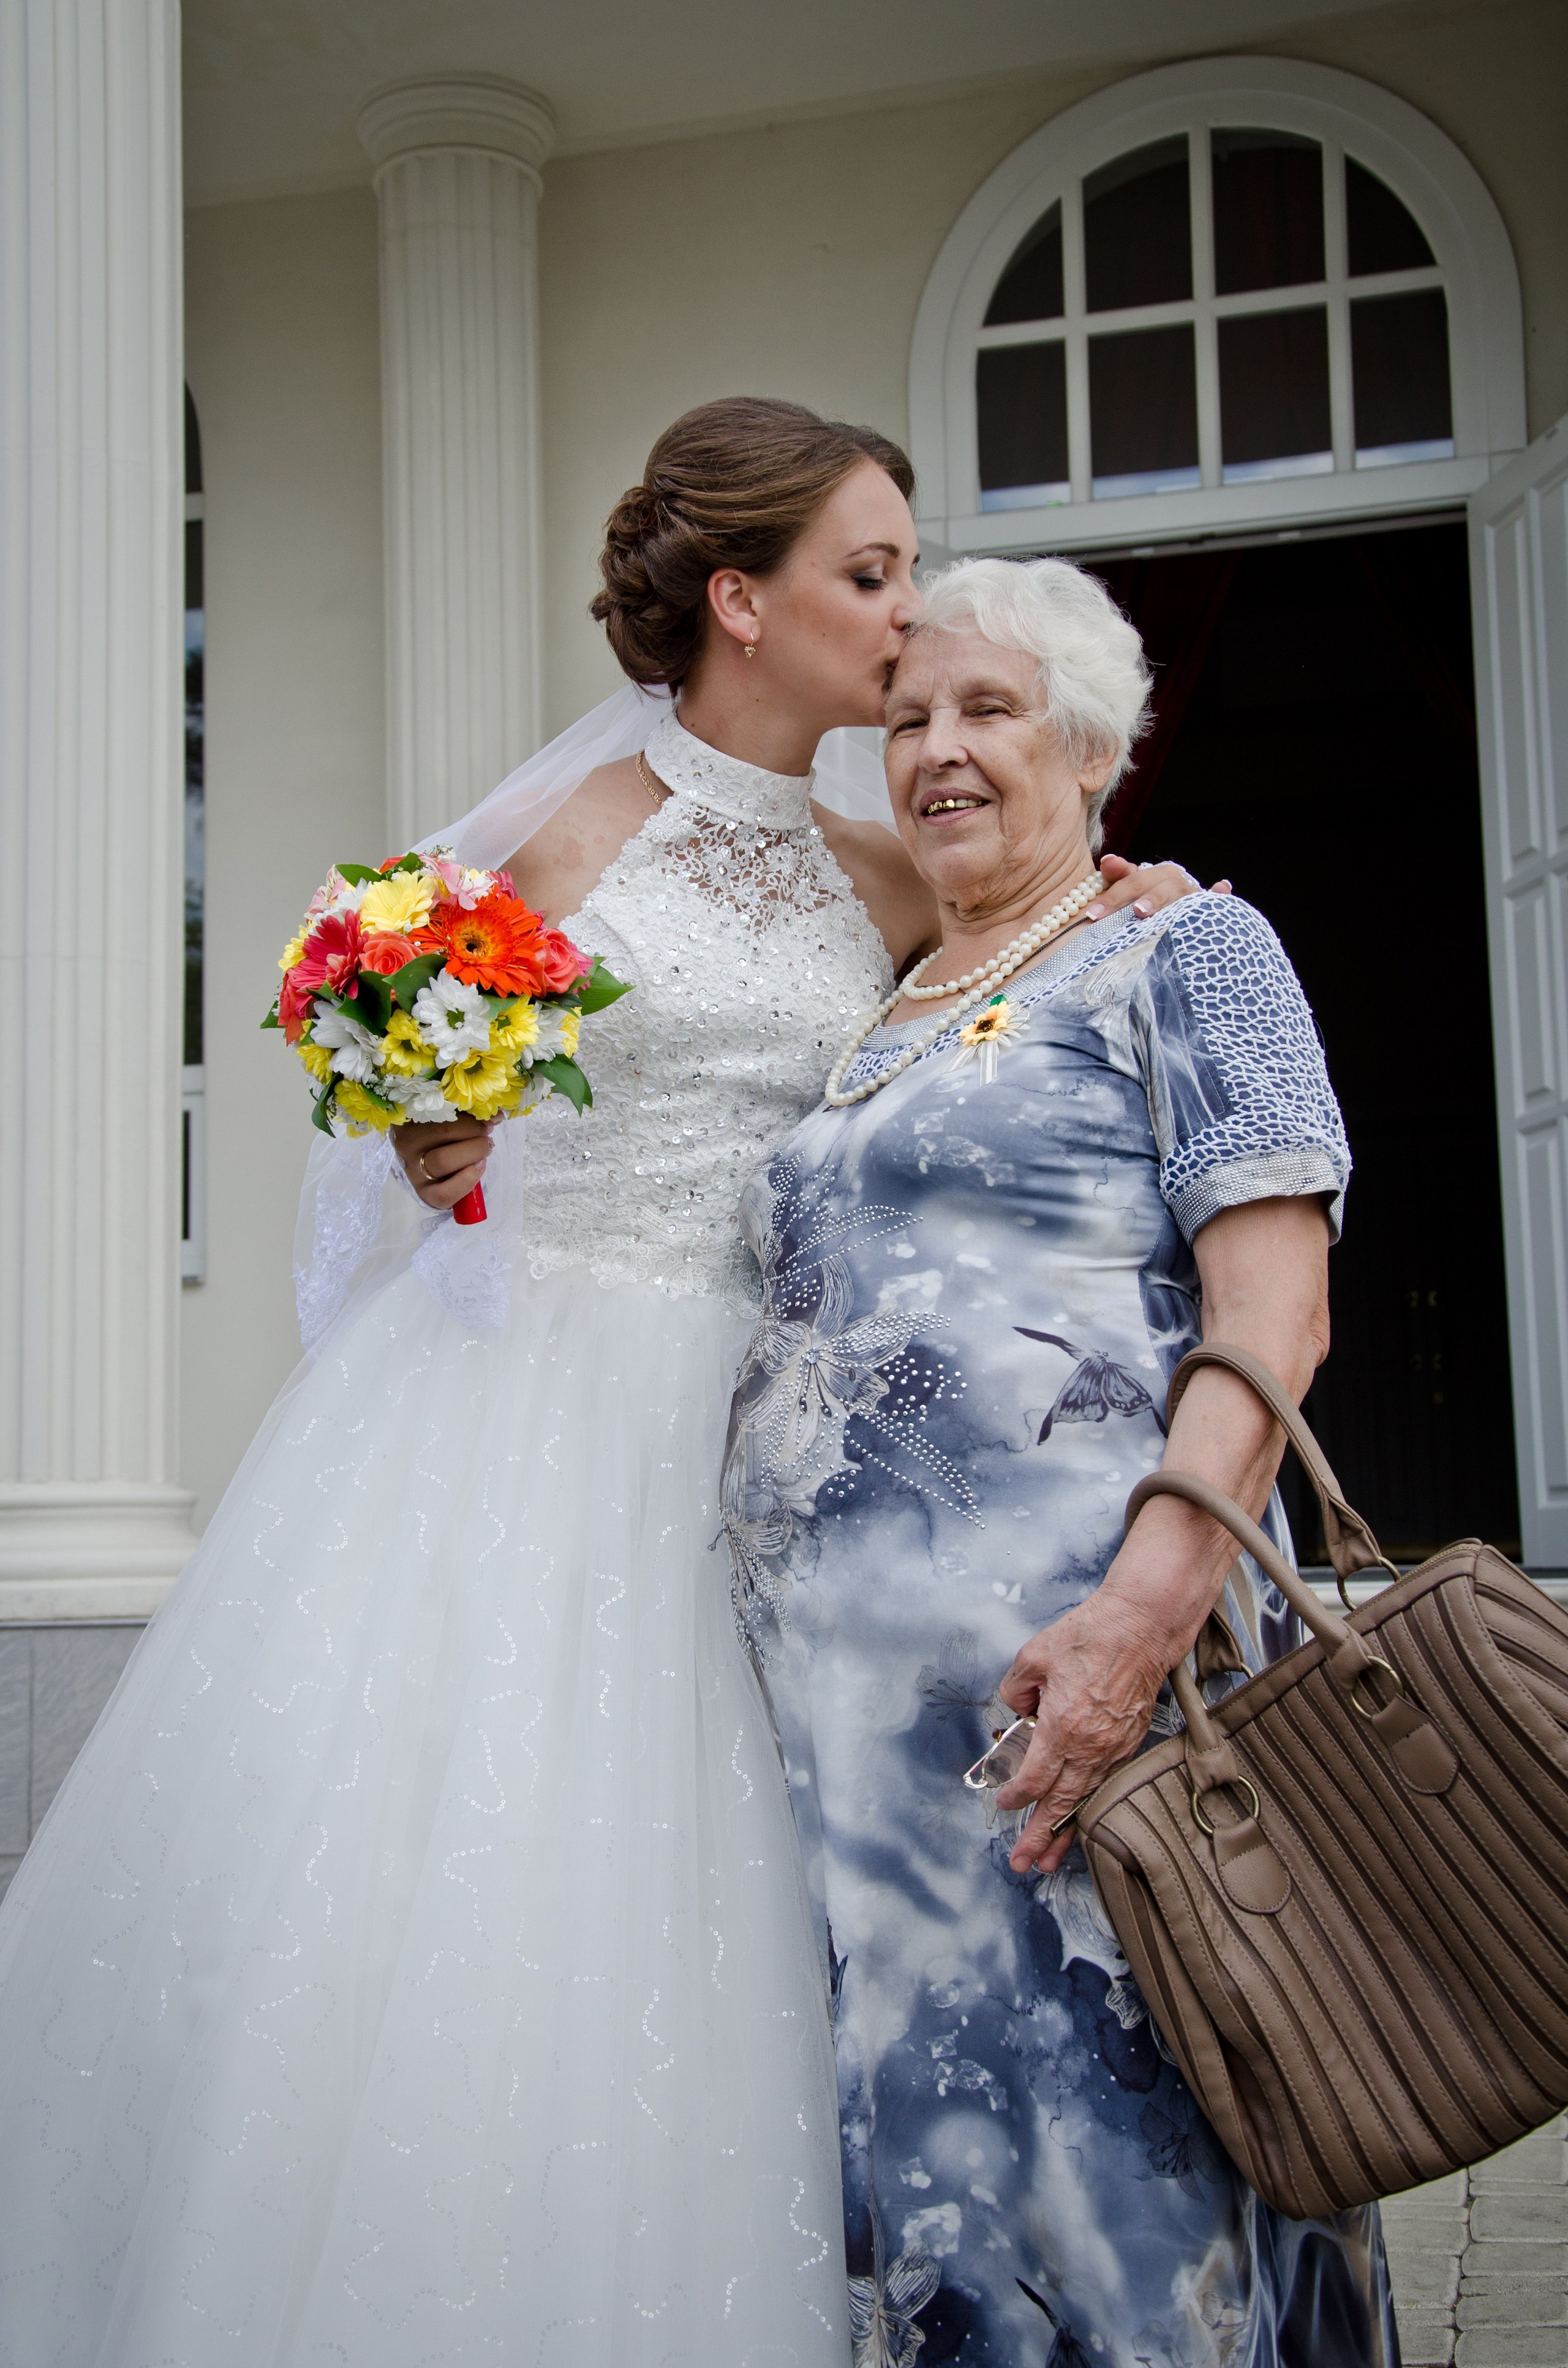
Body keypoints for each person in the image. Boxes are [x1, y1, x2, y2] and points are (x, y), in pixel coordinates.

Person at [0, 404, 1202, 2367]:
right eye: (871, 573)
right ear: (743, 600)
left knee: (719, 1900)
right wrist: (427, 1132)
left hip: (778, 1435)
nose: (908, 618)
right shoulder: (567, 835)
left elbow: (1020, 942)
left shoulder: (882, 865)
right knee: (475, 1894)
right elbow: (399, 1044)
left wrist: (1140, 899)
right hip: (528, 1409)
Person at [722, 555, 1400, 2366]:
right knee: (936, 2207)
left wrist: (1141, 1619)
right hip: (859, 1754)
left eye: (989, 709)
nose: (937, 749)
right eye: (910, 715)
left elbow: (1277, 1312)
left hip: (1085, 1696)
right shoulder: (878, 1006)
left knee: (1130, 2179)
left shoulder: (1195, 949)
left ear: (1095, 742)